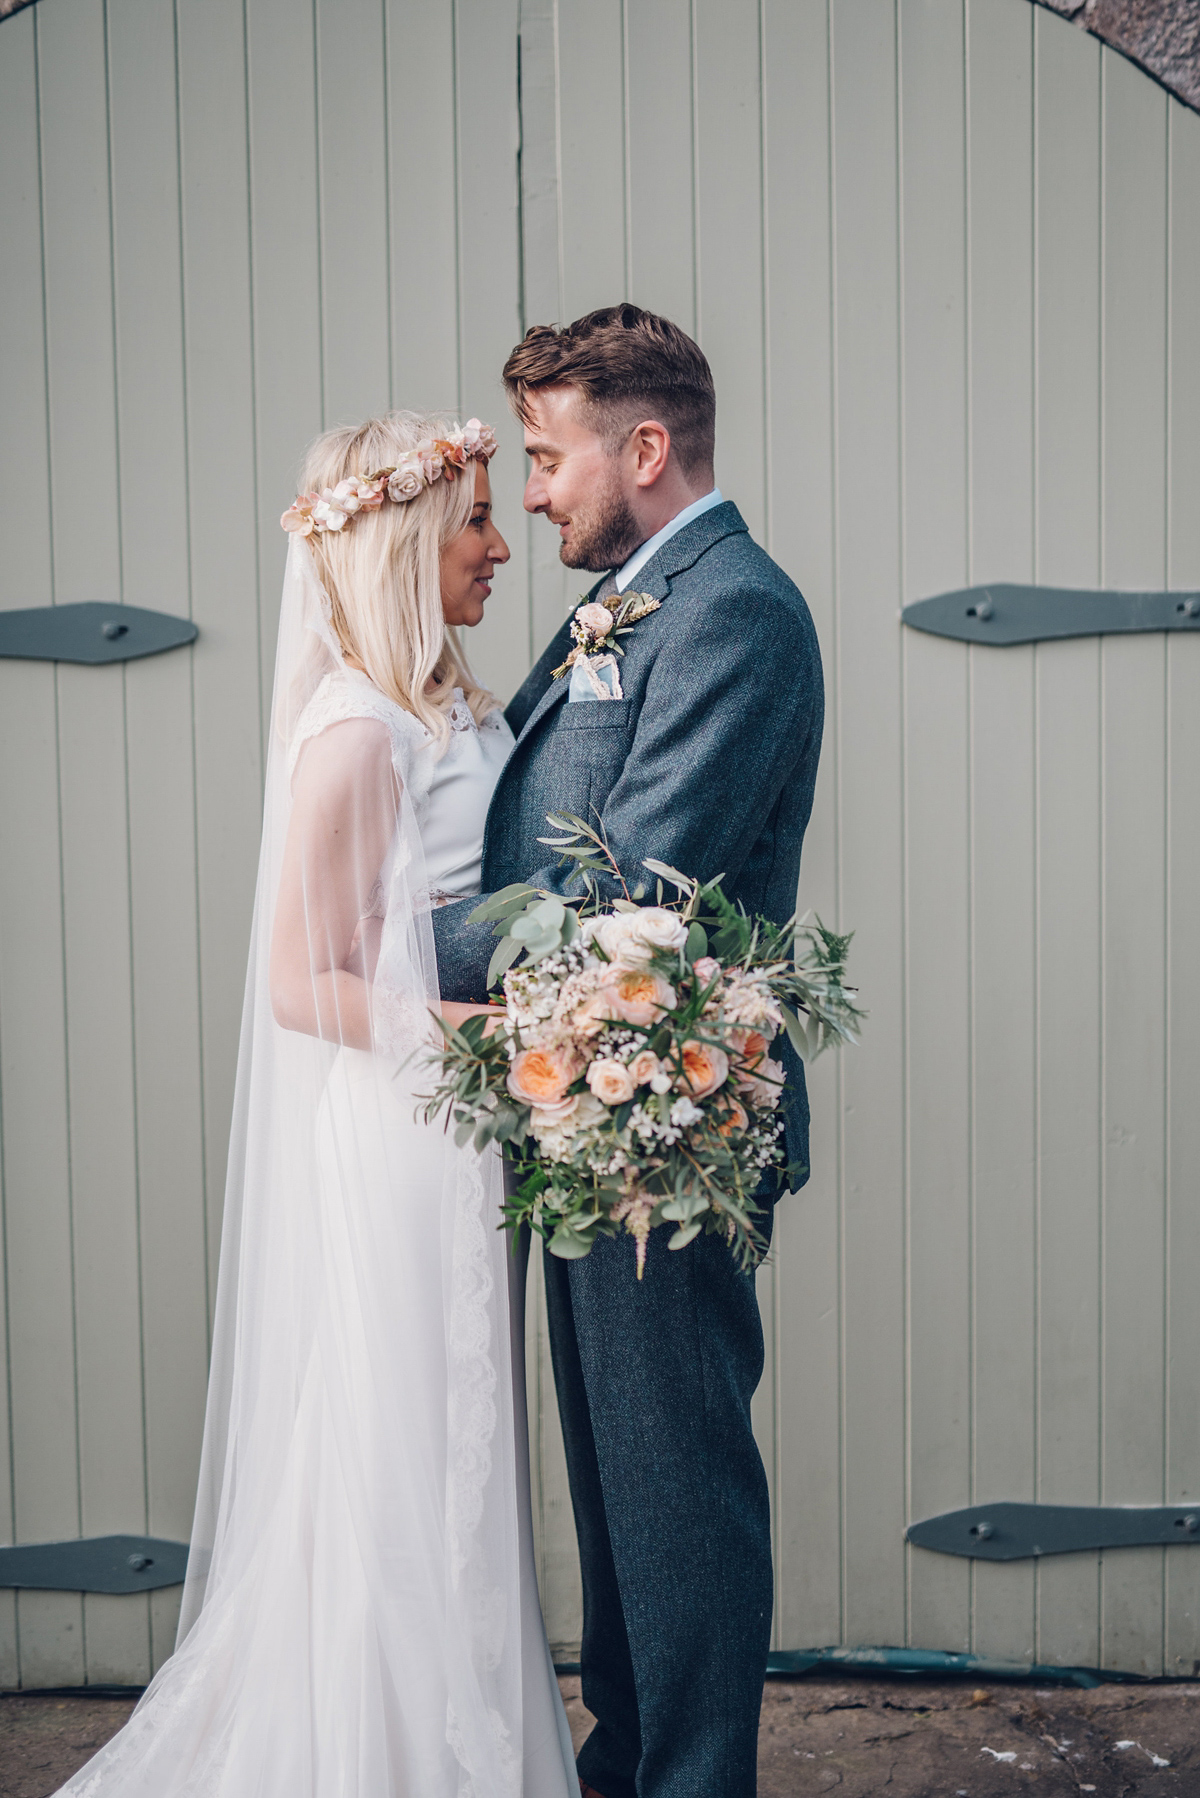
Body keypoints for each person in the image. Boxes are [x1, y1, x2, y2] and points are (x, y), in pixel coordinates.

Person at [54, 413, 577, 1798]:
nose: (498, 541)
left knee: (457, 1448)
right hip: (400, 1137)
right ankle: (383, 1753)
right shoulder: (354, 732)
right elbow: (303, 982)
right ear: (407, 538)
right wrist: (499, 1032)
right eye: (472, 518)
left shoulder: (444, 703)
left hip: (454, 1133)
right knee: (402, 1453)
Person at [433, 306, 825, 1798]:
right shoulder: (638, 600)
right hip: (596, 1115)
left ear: (644, 449)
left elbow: (629, 883)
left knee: (678, 1493)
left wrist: (406, 948)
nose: (531, 493)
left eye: (547, 457)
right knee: (617, 1491)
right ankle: (630, 1766)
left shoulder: (736, 610)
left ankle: (691, 1779)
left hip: (673, 1125)